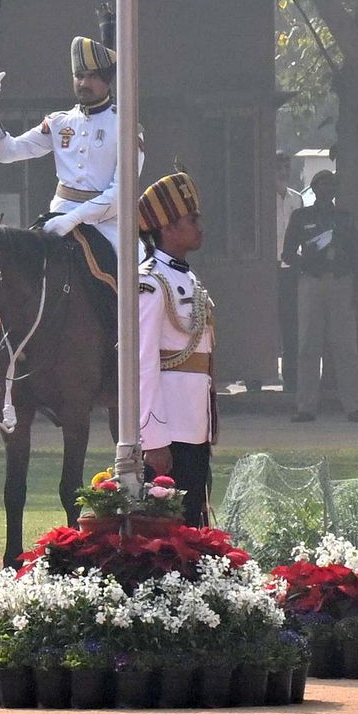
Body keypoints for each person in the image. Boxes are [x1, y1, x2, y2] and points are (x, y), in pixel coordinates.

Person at [0, 33, 125, 354]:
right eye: (79, 75)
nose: (83, 83)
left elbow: (120, 194)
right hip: (56, 218)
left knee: (138, 281)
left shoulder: (126, 126)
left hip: (107, 224)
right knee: (14, 269)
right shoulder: (60, 123)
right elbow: (7, 151)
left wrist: (74, 218)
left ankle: (122, 352)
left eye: (92, 76)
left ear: (107, 81)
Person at [131, 170, 217, 525]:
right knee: (166, 530)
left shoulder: (187, 277)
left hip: (194, 423)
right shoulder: (150, 281)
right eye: (191, 220)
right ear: (167, 228)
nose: (199, 227)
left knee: (193, 522)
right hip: (169, 428)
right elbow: (143, 363)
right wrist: (153, 438)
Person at [281, 164, 358, 421]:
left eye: (331, 185)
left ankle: (353, 406)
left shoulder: (345, 218)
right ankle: (306, 407)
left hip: (341, 281)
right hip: (311, 282)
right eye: (322, 184)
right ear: (314, 189)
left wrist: (357, 288)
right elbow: (287, 254)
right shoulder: (301, 217)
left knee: (346, 347)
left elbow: (357, 255)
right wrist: (306, 261)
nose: (327, 189)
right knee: (308, 345)